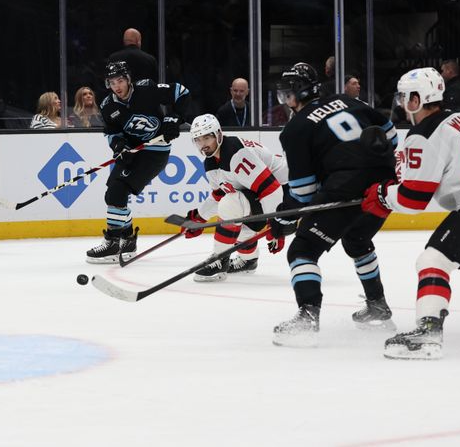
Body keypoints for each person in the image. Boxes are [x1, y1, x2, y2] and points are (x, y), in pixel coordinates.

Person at [361, 68, 460, 360]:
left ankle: (428, 331)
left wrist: (384, 195)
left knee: (432, 260)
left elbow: (414, 199)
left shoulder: (424, 133)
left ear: (418, 98)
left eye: (405, 97)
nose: (401, 103)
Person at [269, 62, 399, 347]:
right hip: (384, 186)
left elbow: (303, 193)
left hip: (346, 188)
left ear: (298, 94)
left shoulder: (295, 129)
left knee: (303, 249)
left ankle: (307, 316)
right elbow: (391, 136)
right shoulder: (349, 100)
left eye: (286, 94)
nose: (284, 100)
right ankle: (377, 305)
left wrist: (284, 219)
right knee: (357, 238)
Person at [86, 61, 191, 263]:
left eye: (120, 80)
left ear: (128, 79)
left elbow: (182, 92)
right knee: (112, 194)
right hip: (133, 152)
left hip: (155, 151)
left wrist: (174, 118)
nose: (117, 86)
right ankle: (127, 240)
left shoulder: (147, 89)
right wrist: (119, 146)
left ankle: (114, 242)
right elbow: (112, 132)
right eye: (112, 82)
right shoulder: (108, 105)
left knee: (118, 192)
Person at [183, 114, 288, 282]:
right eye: (198, 140)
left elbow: (271, 189)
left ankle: (219, 259)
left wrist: (276, 226)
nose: (203, 145)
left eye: (207, 137)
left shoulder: (235, 152)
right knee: (234, 218)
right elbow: (219, 194)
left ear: (218, 134)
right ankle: (248, 260)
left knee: (230, 204)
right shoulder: (211, 163)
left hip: (286, 188)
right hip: (260, 194)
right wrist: (199, 217)